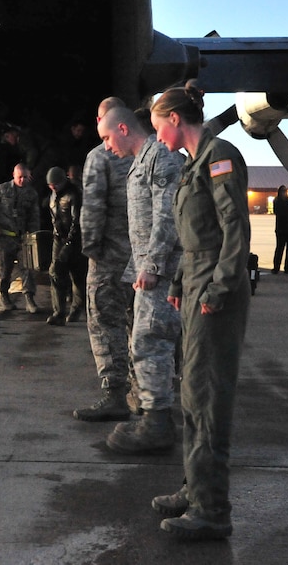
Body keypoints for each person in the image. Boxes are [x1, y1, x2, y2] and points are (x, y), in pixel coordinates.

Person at [149, 80, 251, 540]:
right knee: (191, 393)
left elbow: (235, 231)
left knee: (208, 397)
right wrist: (178, 281)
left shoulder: (220, 156)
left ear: (174, 119)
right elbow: (195, 237)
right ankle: (195, 489)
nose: (157, 138)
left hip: (215, 294)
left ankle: (212, 511)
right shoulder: (194, 165)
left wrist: (218, 289)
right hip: (194, 285)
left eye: (157, 128)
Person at [96, 105, 184, 454]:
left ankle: (157, 424)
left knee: (151, 343)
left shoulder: (159, 158)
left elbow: (168, 216)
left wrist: (153, 265)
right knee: (149, 342)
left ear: (122, 128)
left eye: (106, 137)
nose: (106, 146)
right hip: (150, 268)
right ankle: (155, 416)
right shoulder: (143, 160)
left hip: (162, 271)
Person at [72, 96, 135, 422]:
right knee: (138, 324)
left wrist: (91, 250)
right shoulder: (149, 152)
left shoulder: (100, 156)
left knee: (104, 322)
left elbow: (93, 207)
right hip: (143, 256)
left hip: (110, 255)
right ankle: (145, 393)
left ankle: (114, 395)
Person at [0, 163, 41, 313]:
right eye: (19, 177)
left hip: (23, 238)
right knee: (4, 269)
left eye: (25, 177)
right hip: (4, 238)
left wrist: (33, 236)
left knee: (28, 269)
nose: (22, 180)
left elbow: (34, 216)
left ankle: (29, 298)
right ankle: (4, 296)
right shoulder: (2, 190)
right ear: (13, 175)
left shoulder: (31, 194)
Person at [44, 166, 86, 326]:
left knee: (77, 277)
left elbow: (77, 222)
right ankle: (59, 312)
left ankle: (76, 309)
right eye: (50, 185)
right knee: (55, 272)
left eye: (55, 184)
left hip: (74, 241)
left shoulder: (74, 195)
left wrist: (69, 244)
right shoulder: (53, 195)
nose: (53, 187)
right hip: (59, 238)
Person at [271, 185, 288, 273]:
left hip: (287, 227)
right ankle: (276, 267)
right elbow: (277, 212)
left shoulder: (287, 201)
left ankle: (287, 267)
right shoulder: (279, 201)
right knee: (280, 248)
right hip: (281, 228)